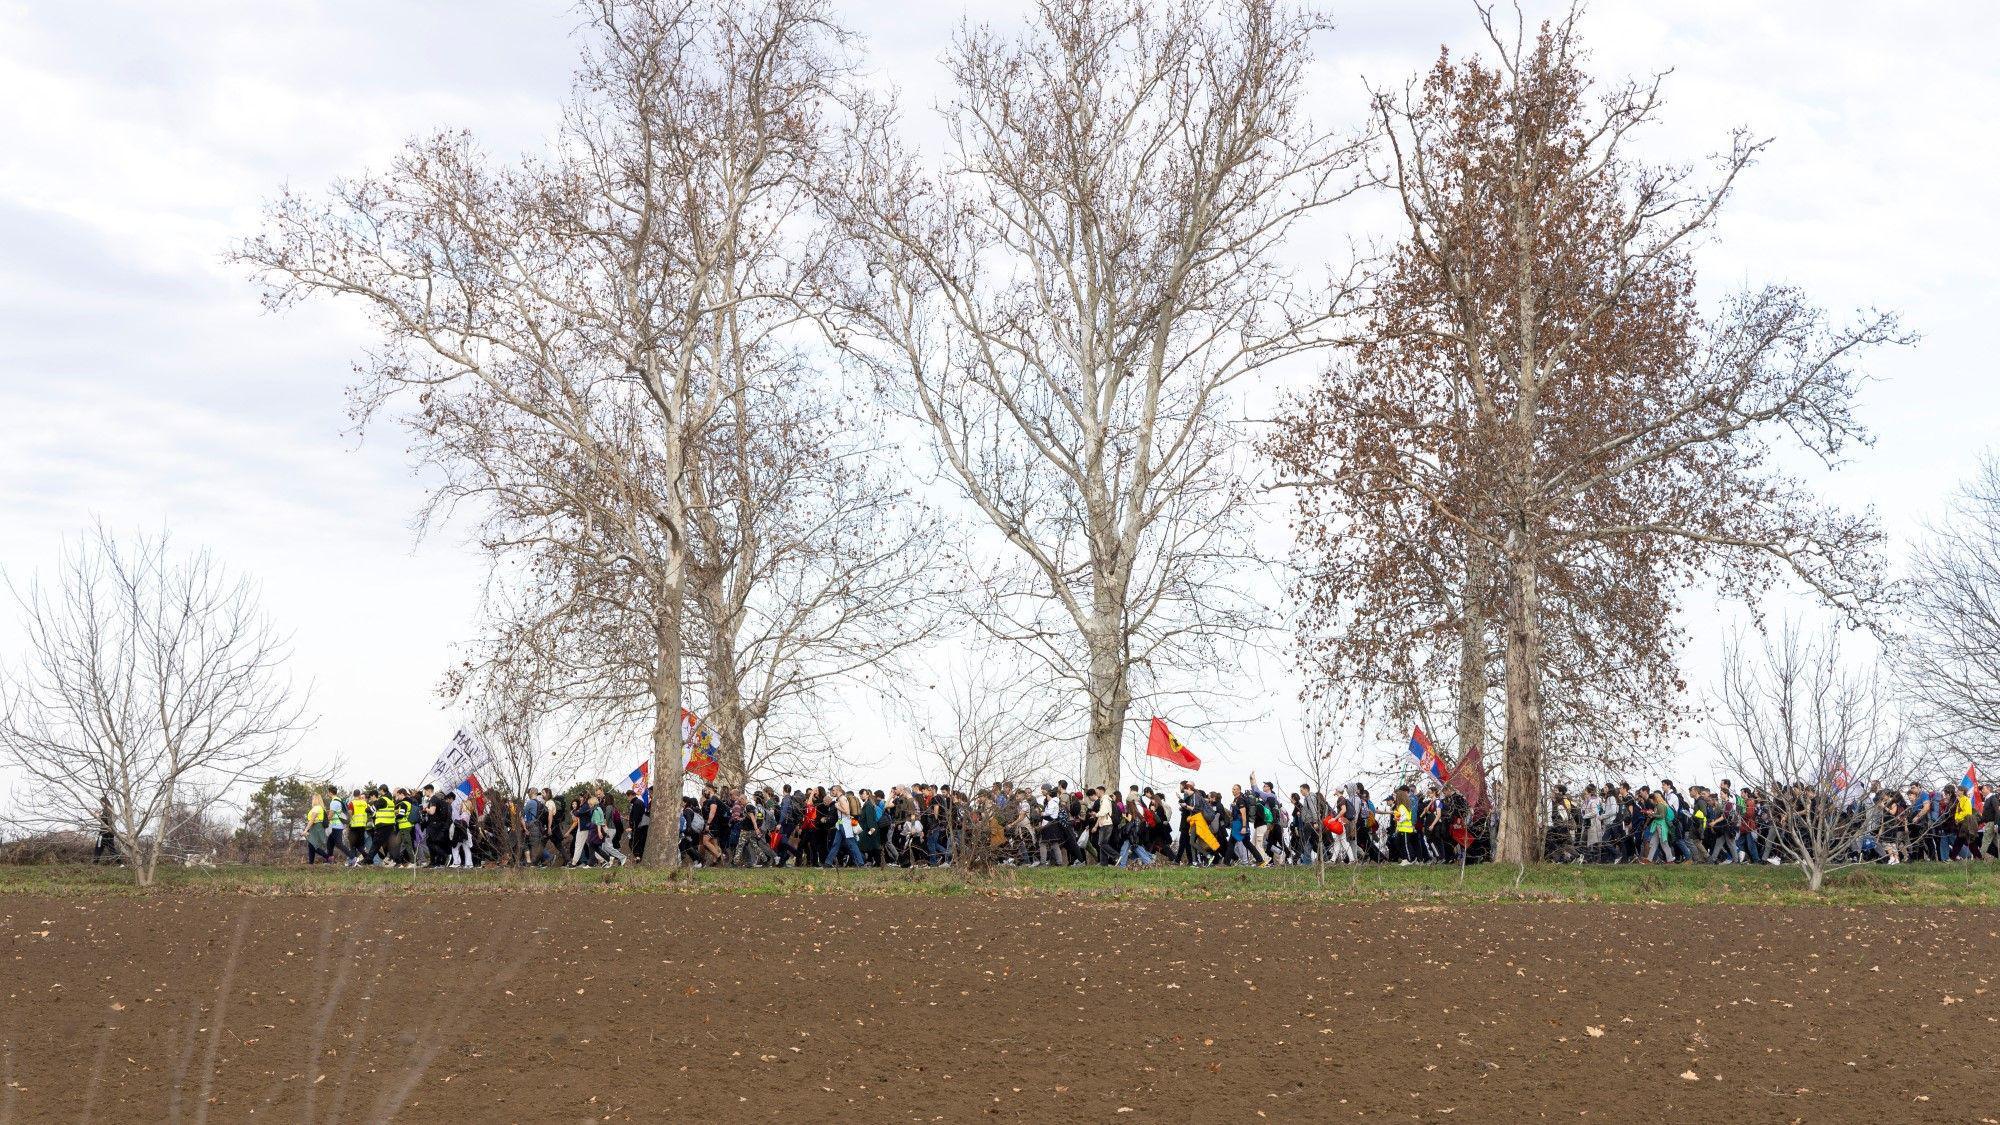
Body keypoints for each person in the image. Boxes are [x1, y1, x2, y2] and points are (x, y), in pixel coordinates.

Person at [305, 791, 331, 865]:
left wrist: (306, 830)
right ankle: (311, 864)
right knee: (311, 845)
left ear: (315, 799)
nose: (312, 800)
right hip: (315, 827)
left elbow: (312, 820)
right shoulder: (318, 808)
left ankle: (328, 857)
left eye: (313, 798)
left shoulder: (317, 808)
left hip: (317, 827)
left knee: (313, 845)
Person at [93, 795, 118, 864]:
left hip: (104, 832)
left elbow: (105, 820)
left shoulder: (107, 809)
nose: (101, 805)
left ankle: (95, 863)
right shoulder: (111, 809)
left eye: (101, 803)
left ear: (104, 802)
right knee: (110, 848)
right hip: (110, 832)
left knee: (98, 847)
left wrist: (98, 816)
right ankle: (120, 864)